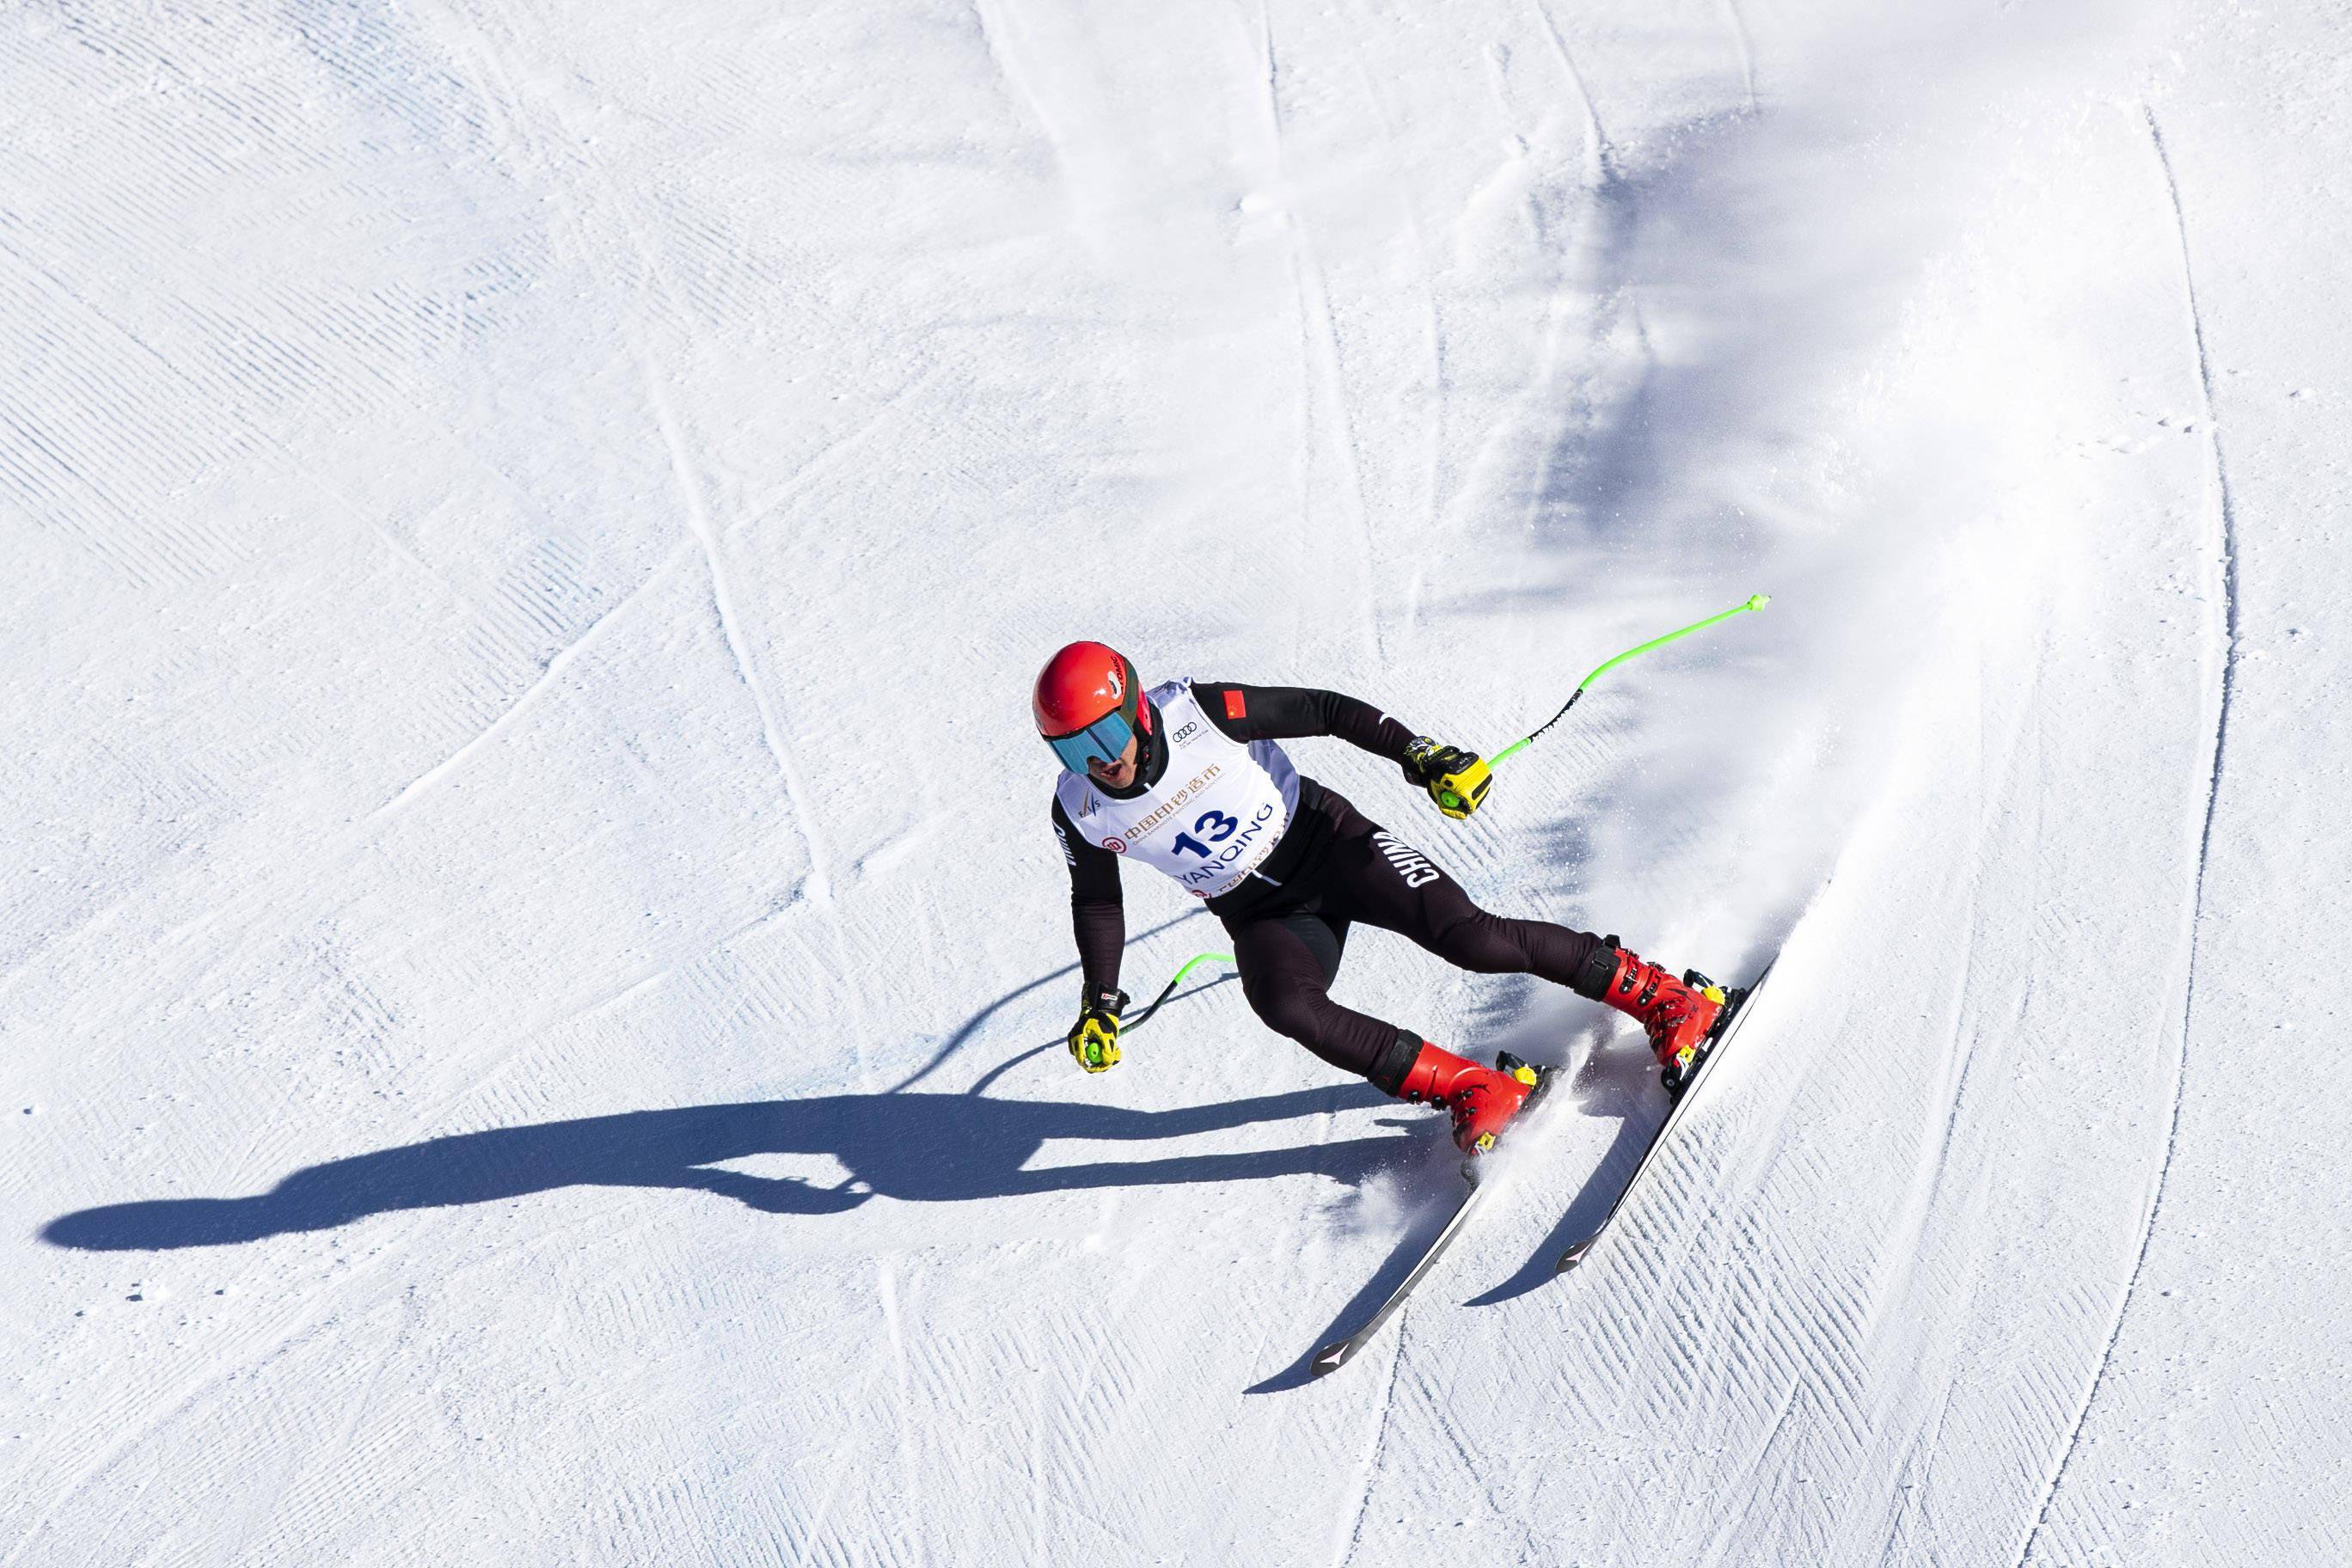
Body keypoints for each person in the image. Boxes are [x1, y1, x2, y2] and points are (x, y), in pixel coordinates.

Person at [1034, 640, 1727, 1155]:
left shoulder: (1197, 712)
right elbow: (1097, 901)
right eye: (1072, 750)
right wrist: (1101, 999)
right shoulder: (1082, 807)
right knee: (1284, 1005)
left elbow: (1324, 711)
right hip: (1261, 912)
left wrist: (1419, 756)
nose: (1099, 760)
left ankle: (1665, 997)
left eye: (1106, 733)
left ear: (1137, 712)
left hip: (1330, 844)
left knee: (1472, 941)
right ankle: (1475, 1088)